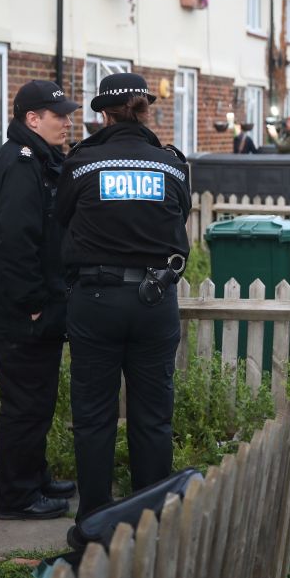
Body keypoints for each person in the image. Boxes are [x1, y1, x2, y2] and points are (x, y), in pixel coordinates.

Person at [56, 72, 191, 522]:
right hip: (156, 300)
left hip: (95, 300)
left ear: (102, 114)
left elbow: (61, 219)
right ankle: (150, 519)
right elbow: (179, 219)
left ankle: (94, 519)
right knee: (153, 417)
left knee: (94, 416)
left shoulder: (82, 164)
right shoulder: (171, 164)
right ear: (146, 109)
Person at [0, 80, 81, 520]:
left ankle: (33, 477)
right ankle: (17, 497)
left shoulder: (38, 159)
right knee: (24, 405)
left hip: (33, 309)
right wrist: (33, 302)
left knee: (37, 401)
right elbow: (15, 243)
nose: (67, 122)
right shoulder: (21, 165)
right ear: (32, 119)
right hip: (23, 313)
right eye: (58, 115)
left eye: (68, 114)